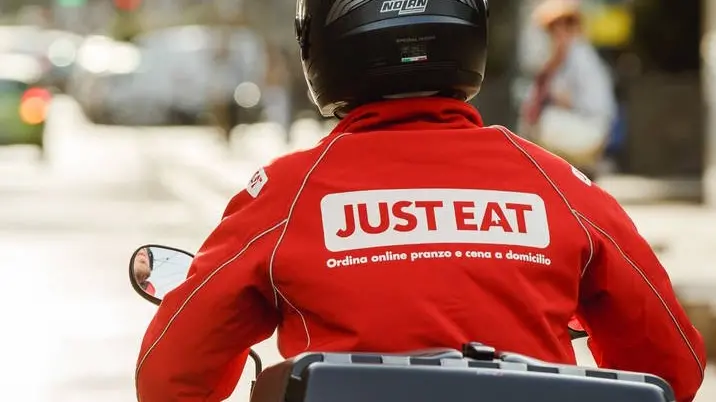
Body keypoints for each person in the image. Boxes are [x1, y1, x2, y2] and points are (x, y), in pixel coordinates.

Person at [135, 1, 706, 401]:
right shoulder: (556, 184)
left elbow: (168, 380)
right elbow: (673, 368)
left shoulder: (287, 195)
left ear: (322, 42)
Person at [521, 0, 618, 180]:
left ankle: (576, 169)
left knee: (546, 123)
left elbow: (597, 108)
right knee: (534, 123)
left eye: (566, 26)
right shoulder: (554, 61)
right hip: (575, 125)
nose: (559, 33)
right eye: (554, 29)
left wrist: (564, 100)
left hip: (591, 127)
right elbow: (530, 103)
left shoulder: (581, 57)